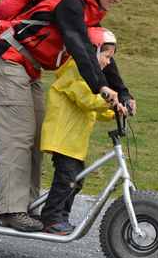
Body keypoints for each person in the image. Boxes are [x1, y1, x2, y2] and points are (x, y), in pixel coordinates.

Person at [0, 0, 136, 232]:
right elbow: (79, 46)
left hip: (28, 67)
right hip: (9, 59)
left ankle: (25, 207)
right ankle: (11, 210)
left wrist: (123, 91)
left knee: (36, 137)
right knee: (19, 137)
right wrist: (99, 87)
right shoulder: (72, 3)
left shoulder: (90, 12)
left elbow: (101, 54)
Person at [39, 27, 118, 235]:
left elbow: (95, 109)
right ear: (92, 51)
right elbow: (86, 100)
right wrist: (111, 103)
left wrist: (114, 113)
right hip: (62, 138)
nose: (108, 62)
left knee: (77, 180)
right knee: (66, 179)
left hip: (73, 142)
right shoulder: (75, 69)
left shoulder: (92, 79)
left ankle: (61, 216)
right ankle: (51, 218)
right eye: (106, 56)